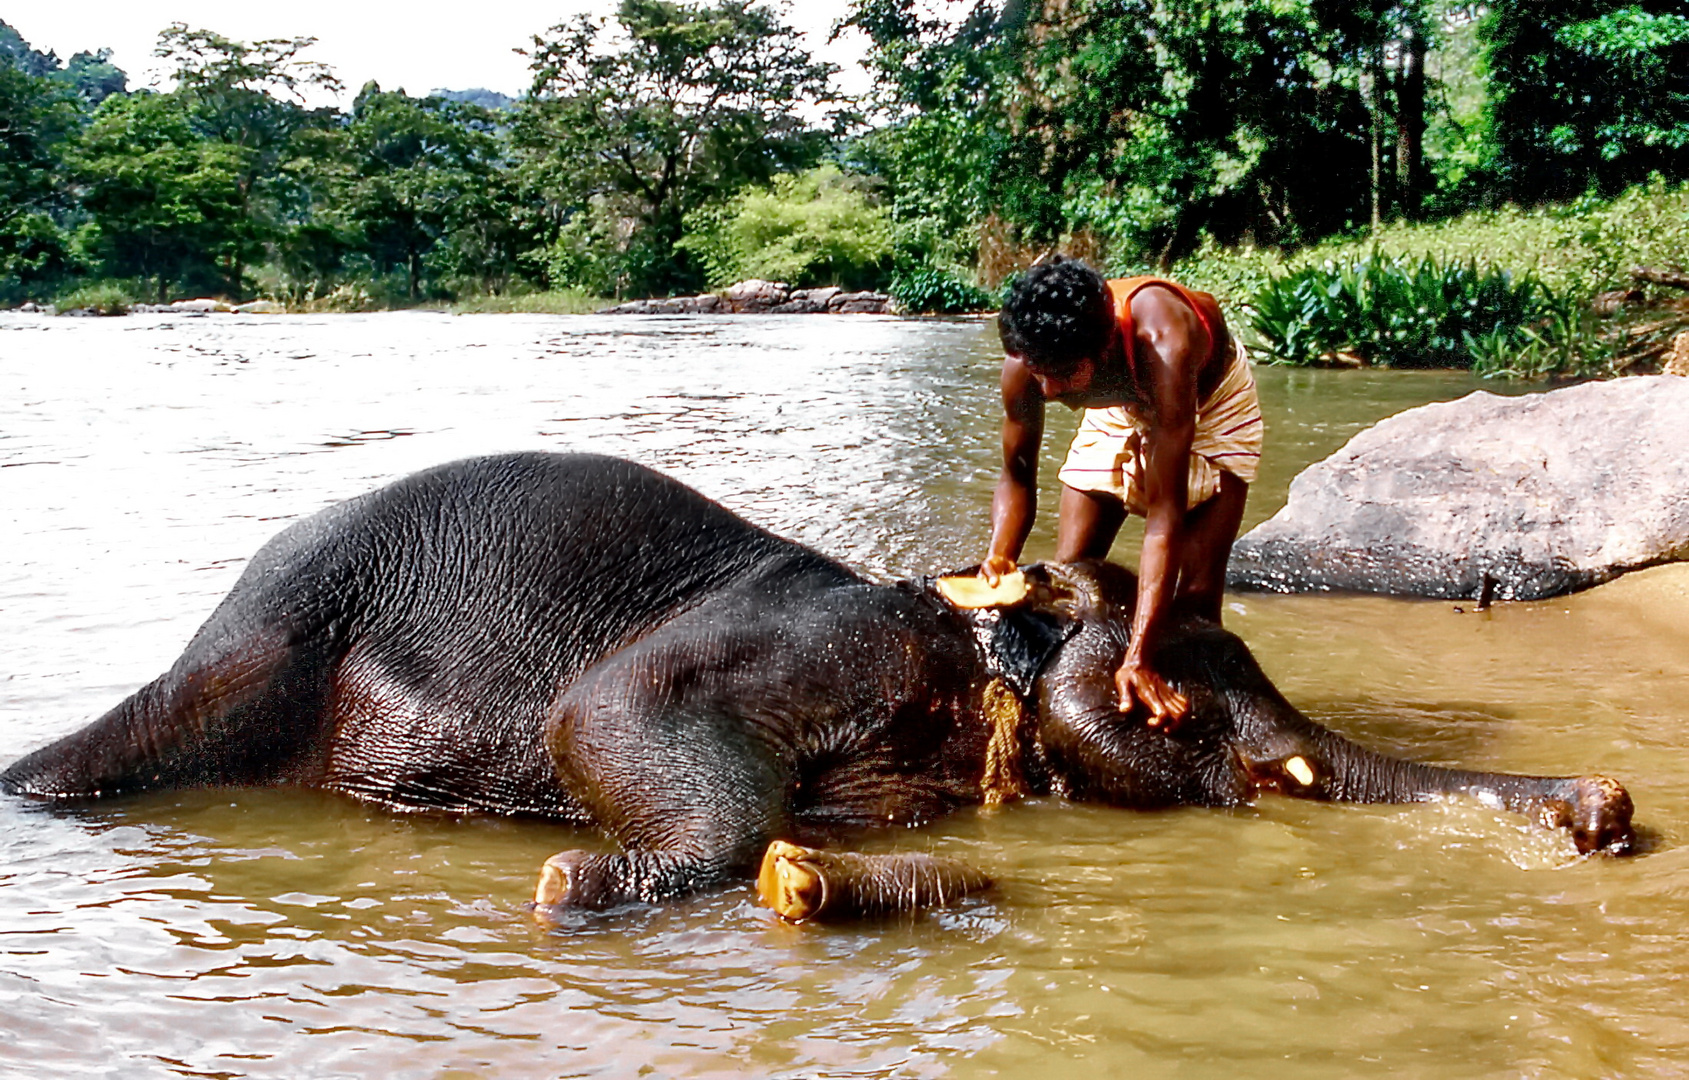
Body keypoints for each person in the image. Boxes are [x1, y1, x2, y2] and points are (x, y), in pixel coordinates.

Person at [980, 255, 1262, 728]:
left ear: (1106, 345)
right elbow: (1016, 474)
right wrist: (1000, 558)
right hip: (1116, 405)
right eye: (1039, 374)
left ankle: (1202, 723)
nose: (1047, 392)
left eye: (1063, 376)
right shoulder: (1034, 360)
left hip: (1204, 406)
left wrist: (1139, 657)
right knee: (1070, 578)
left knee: (1194, 604)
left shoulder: (1165, 341)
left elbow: (1163, 518)